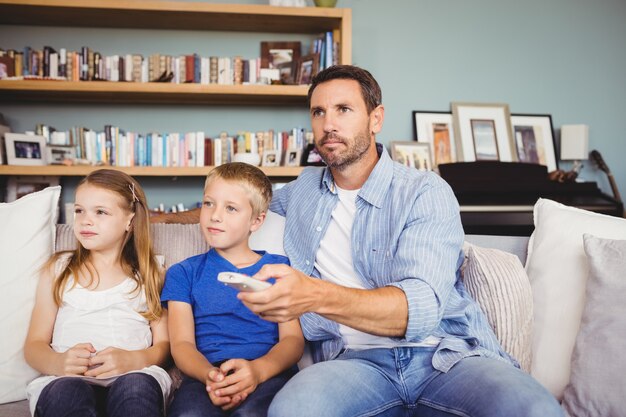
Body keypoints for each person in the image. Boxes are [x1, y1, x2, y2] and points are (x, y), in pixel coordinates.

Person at [237, 65, 564, 417]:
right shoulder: (302, 191)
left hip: (445, 357)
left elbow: (419, 310)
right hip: (351, 365)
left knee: (535, 409)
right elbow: (237, 208)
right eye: (319, 112)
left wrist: (314, 294)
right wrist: (176, 219)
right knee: (292, 411)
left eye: (343, 110)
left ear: (375, 118)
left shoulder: (424, 191)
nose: (328, 124)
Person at [24, 169, 172, 417]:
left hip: (134, 376)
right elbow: (34, 344)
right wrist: (57, 363)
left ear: (130, 221)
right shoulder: (59, 269)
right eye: (79, 210)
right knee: (67, 393)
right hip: (68, 380)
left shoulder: (151, 272)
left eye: (100, 212)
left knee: (136, 388)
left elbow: (165, 344)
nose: (85, 220)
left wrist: (135, 360)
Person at [161, 162, 304, 417]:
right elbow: (182, 345)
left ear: (257, 220)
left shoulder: (279, 268)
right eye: (208, 203)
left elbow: (292, 341)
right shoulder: (183, 273)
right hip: (205, 374)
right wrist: (212, 376)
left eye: (231, 208)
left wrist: (259, 371)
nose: (215, 215)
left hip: (268, 372)